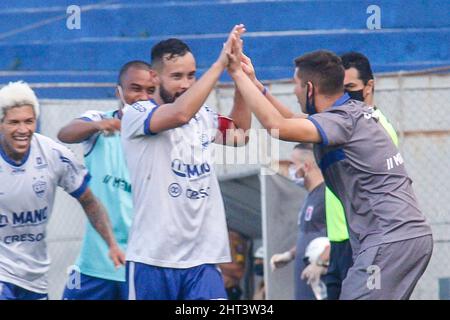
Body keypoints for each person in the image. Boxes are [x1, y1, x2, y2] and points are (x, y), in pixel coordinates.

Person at [228, 43, 433, 299]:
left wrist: (236, 73)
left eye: (296, 85)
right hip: (401, 237)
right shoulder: (351, 113)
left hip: (388, 237)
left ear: (310, 89)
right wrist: (255, 85)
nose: (294, 91)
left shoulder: (341, 121)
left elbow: (276, 125)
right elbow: (292, 119)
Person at [122, 25, 251, 300]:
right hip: (153, 260)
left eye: (191, 75)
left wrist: (239, 76)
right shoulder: (137, 113)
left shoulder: (203, 115)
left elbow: (240, 134)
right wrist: (219, 65)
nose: (186, 84)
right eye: (177, 76)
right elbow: (180, 114)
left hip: (203, 260)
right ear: (155, 78)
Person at [0, 81, 124, 300]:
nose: (22, 129)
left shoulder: (52, 154)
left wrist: (112, 244)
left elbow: (89, 201)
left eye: (28, 121)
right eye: (14, 122)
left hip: (34, 276)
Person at [57, 61, 155, 300]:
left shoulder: (159, 134)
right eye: (135, 88)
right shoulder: (99, 122)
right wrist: (103, 125)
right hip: (95, 265)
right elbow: (65, 133)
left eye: (150, 91)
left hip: (140, 264)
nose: (143, 97)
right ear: (118, 92)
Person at [323, 52, 401, 299]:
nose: (346, 95)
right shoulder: (341, 124)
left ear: (369, 86)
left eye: (351, 87)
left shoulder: (377, 128)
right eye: (341, 88)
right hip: (339, 239)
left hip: (360, 239)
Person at [270, 143, 328, 300]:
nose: (290, 170)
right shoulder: (310, 196)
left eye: (292, 165)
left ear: (306, 166)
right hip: (304, 288)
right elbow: (311, 235)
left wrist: (321, 262)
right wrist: (289, 255)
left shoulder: (327, 195)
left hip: (321, 285)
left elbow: (341, 237)